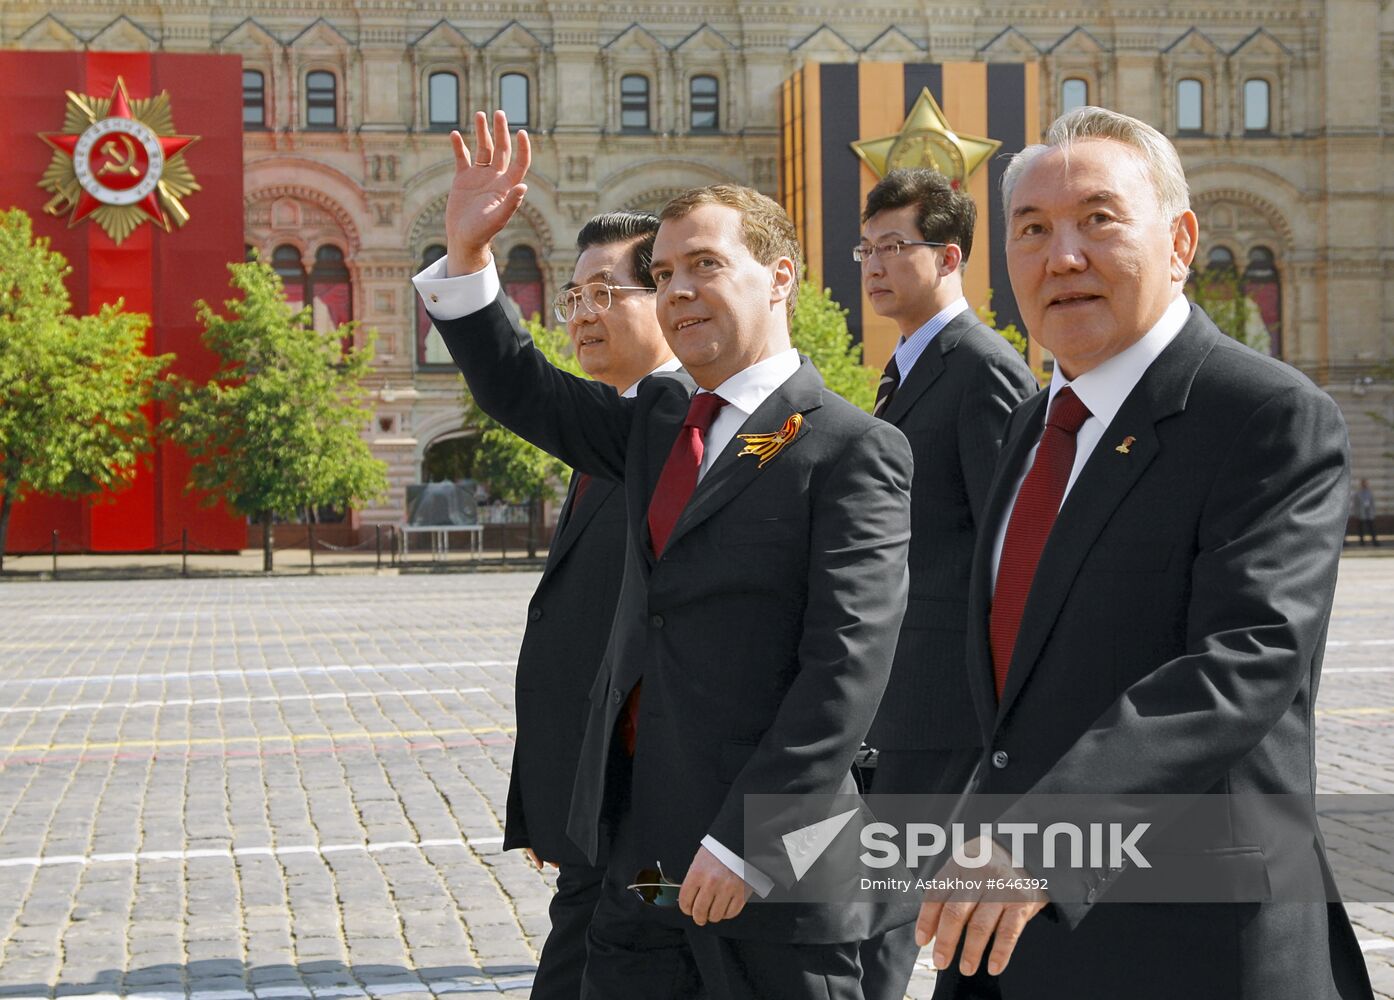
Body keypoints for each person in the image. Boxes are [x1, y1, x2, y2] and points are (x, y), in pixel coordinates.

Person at [414, 110, 913, 1000]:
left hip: (770, 876)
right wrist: (467, 260)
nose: (678, 290)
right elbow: (521, 388)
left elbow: (845, 670)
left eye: (706, 266)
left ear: (781, 278)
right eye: (666, 272)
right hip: (639, 865)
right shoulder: (656, 425)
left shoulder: (849, 446)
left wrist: (746, 839)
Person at [915, 106, 1375, 1000]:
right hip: (1009, 939)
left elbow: (1244, 659)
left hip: (1192, 943)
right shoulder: (1030, 427)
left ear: (1180, 240)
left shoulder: (1264, 414)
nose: (1064, 256)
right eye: (1034, 229)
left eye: (1099, 219)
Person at [854, 168, 1037, 1000]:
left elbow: (1015, 540)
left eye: (896, 246)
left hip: (945, 693)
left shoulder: (980, 366)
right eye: (867, 247)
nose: (874, 264)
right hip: (897, 688)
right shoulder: (909, 362)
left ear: (950, 255)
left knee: (889, 904)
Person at [502, 210, 683, 999]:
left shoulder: (679, 426)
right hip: (595, 809)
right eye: (573, 298)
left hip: (650, 819)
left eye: (605, 292)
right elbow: (578, 633)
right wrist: (554, 802)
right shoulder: (617, 426)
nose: (581, 316)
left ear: (668, 297)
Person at [1354, 478, 1378, 546]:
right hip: (1361, 513)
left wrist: (1373, 512)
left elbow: (1372, 503)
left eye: (1366, 483)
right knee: (1361, 529)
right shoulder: (1358, 493)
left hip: (1369, 513)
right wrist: (1357, 514)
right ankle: (1362, 542)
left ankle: (1375, 542)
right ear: (1361, 484)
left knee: (1372, 528)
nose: (1365, 485)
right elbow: (1356, 505)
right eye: (1363, 483)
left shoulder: (1370, 493)